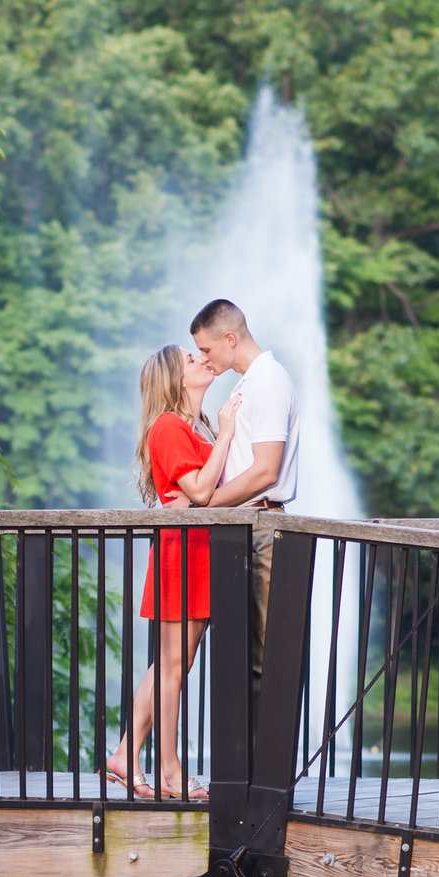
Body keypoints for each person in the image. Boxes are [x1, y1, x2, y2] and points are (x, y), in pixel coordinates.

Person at [108, 345, 238, 797]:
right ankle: (168, 768)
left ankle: (126, 755)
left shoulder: (191, 426)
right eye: (190, 358)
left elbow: (200, 493)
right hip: (182, 553)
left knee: (171, 664)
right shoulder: (168, 426)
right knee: (173, 666)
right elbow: (200, 491)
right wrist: (226, 433)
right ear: (176, 379)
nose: (202, 359)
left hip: (199, 551)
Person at [189, 297, 299, 693]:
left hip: (261, 529)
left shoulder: (268, 381)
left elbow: (266, 470)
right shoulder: (248, 382)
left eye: (206, 349)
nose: (204, 359)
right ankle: (245, 754)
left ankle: (264, 754)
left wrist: (205, 504)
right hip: (242, 529)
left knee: (263, 656)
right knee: (241, 654)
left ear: (230, 338)